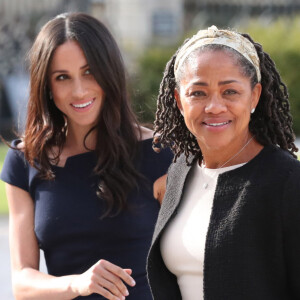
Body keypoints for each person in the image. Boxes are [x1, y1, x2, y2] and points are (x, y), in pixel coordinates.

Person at [0, 12, 172, 300]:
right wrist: (77, 284)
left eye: (89, 71)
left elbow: (191, 264)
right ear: (47, 86)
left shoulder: (159, 154)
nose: (79, 90)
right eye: (62, 77)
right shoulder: (25, 161)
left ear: (110, 72)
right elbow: (22, 283)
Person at [147, 25, 300, 299]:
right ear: (179, 102)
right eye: (198, 93)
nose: (214, 106)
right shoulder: (179, 174)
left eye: (230, 92)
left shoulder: (287, 181)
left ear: (254, 96)